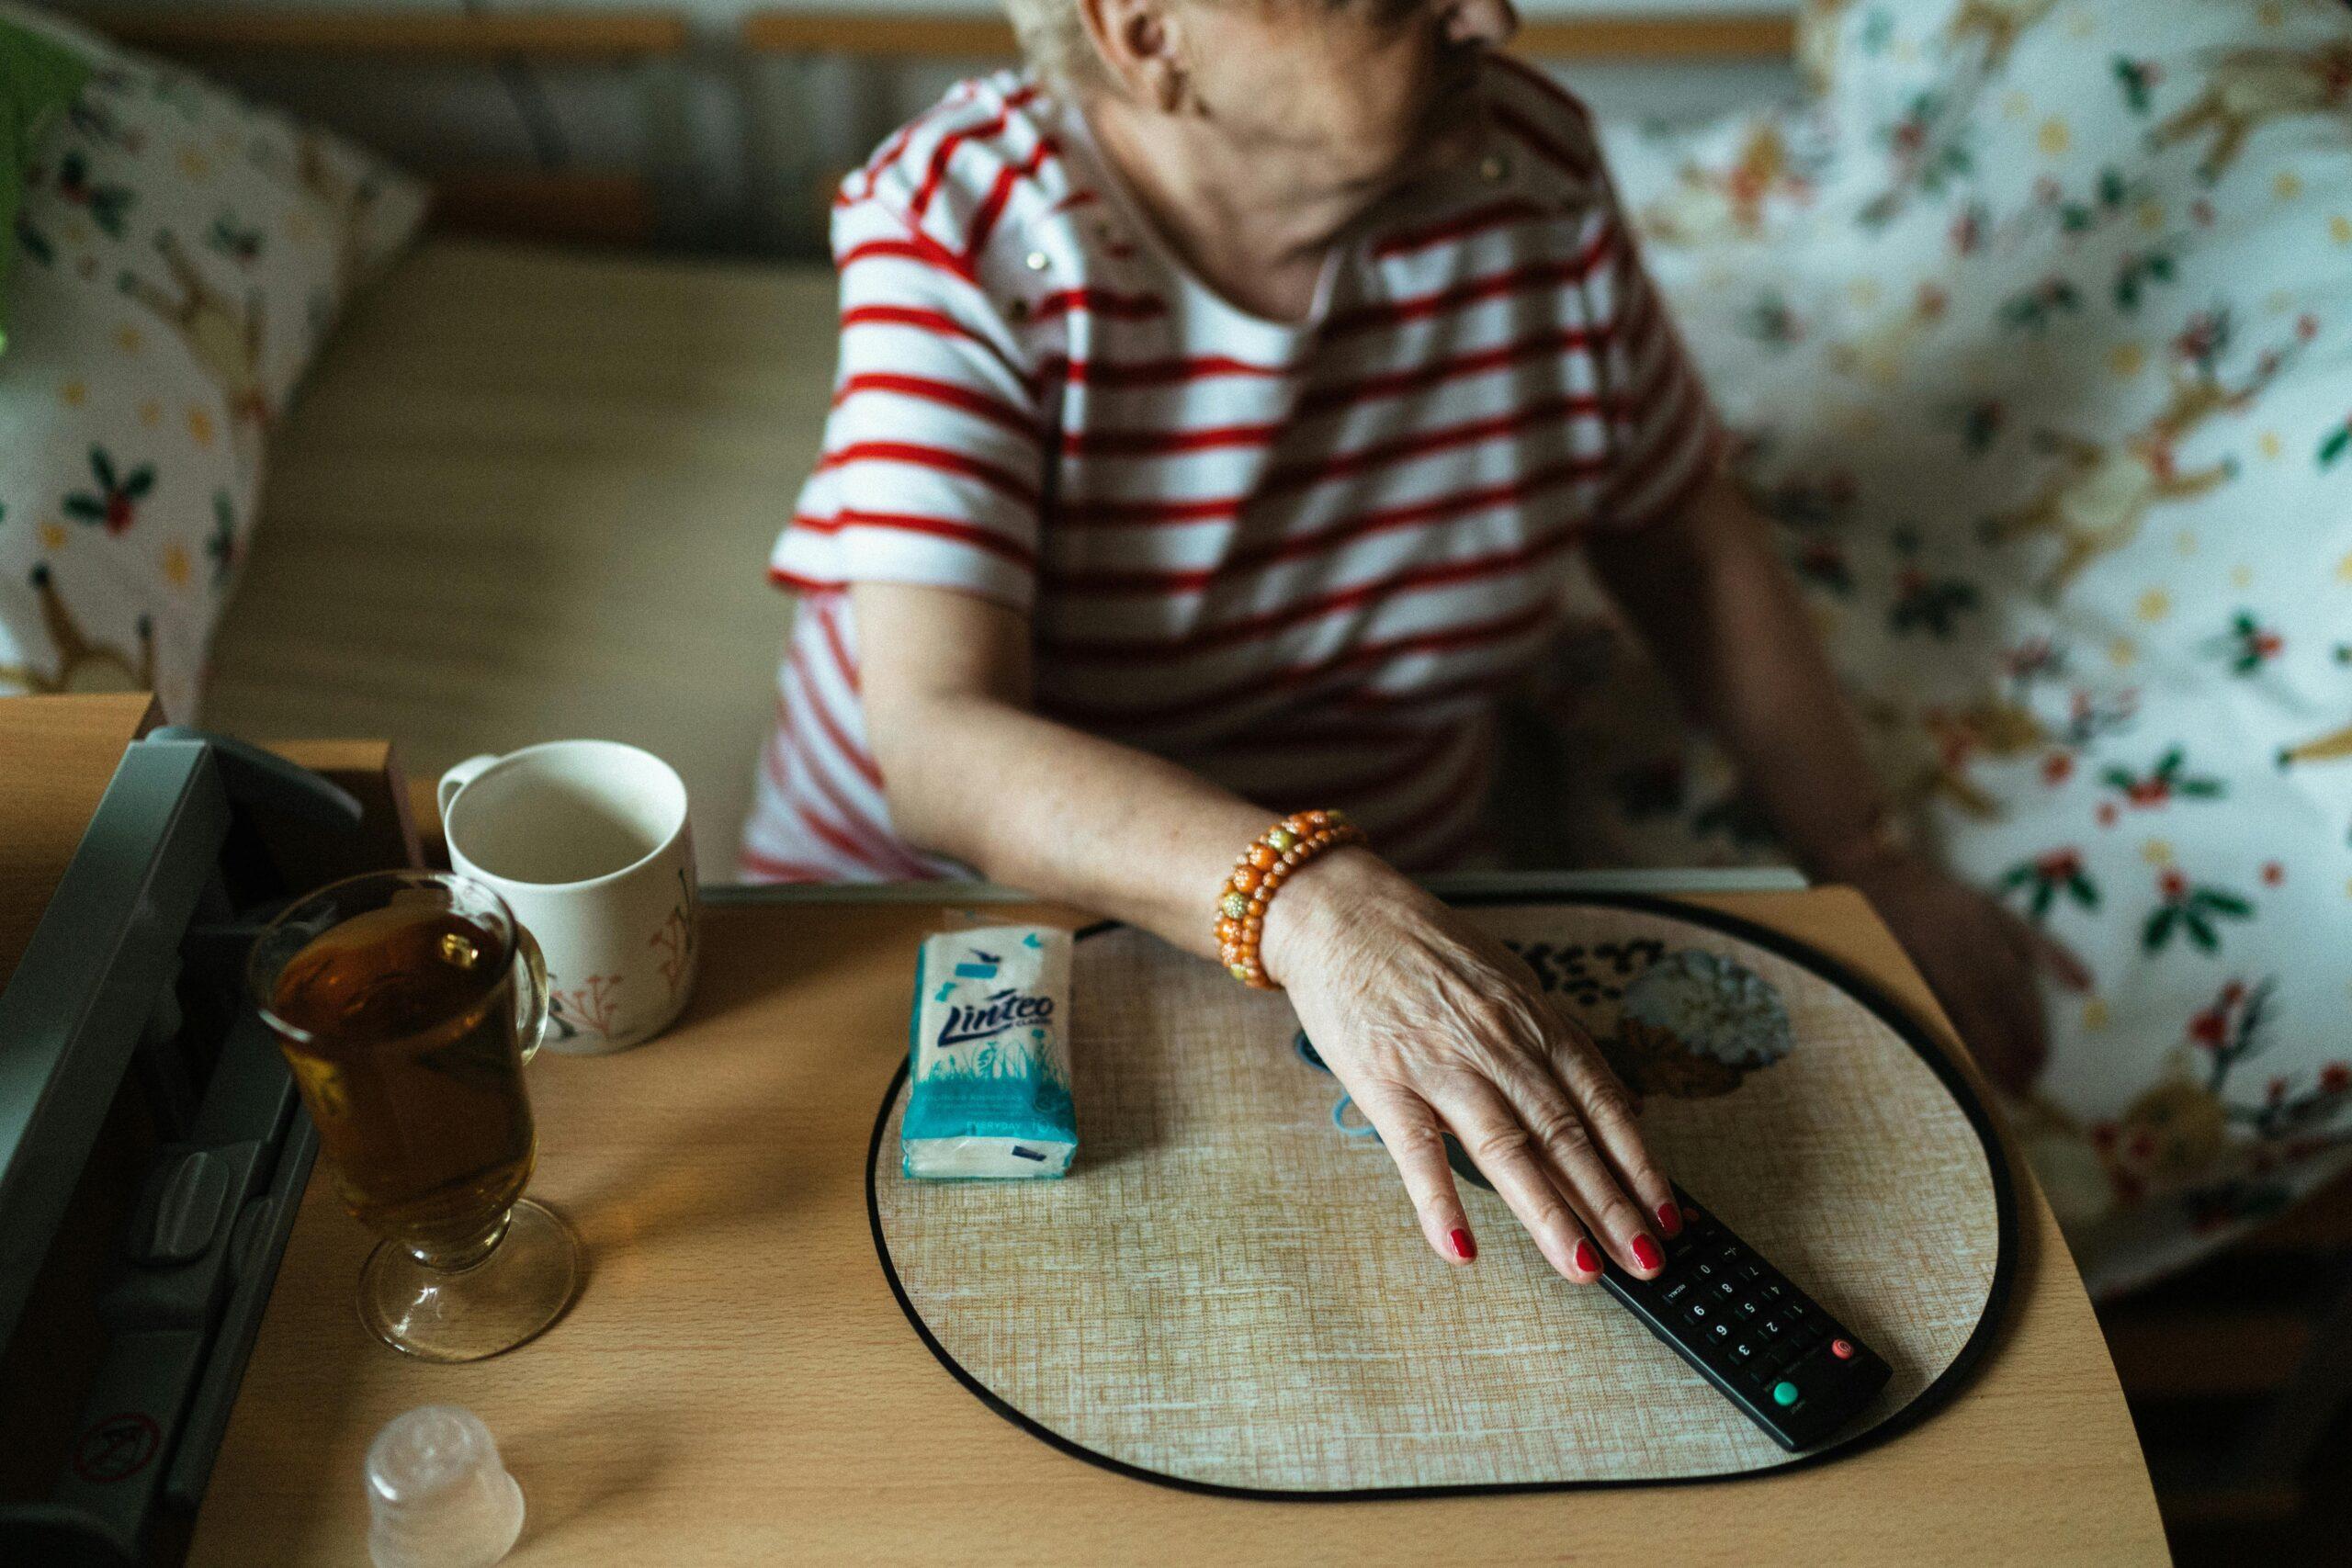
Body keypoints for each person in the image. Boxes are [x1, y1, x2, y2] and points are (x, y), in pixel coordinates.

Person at [744, 0, 2085, 1284]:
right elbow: (939, 743)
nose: (1492, 16)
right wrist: (1314, 906)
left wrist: (1864, 859)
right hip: (971, 935)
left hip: (1397, 925)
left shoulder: (1531, 171)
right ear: (1149, 34)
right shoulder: (962, 223)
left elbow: (1679, 534)